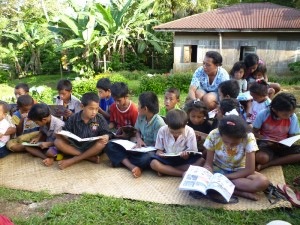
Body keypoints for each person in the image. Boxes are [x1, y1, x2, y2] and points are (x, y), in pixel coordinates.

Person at [203, 115, 269, 200]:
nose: (229, 146)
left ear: (242, 137)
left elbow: (249, 169)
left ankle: (221, 186)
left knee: (262, 182)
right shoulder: (214, 134)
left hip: (240, 172)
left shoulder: (249, 137)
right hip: (218, 169)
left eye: (234, 143)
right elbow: (208, 163)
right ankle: (239, 192)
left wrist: (225, 178)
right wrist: (207, 171)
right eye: (225, 142)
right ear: (220, 134)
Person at [106, 92, 166, 178]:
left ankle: (121, 161)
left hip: (149, 151)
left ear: (145, 108)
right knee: (110, 144)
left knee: (147, 158)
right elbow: (137, 130)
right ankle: (133, 166)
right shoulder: (141, 116)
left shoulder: (159, 123)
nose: (137, 107)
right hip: (138, 147)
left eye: (139, 104)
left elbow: (158, 145)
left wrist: (143, 148)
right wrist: (139, 139)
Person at [55, 92, 113, 169]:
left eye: (96, 109)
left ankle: (73, 160)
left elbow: (107, 133)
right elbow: (66, 131)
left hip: (93, 147)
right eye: (91, 108)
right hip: (77, 146)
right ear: (82, 106)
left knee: (101, 143)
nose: (94, 112)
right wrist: (61, 134)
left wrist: (106, 136)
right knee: (57, 142)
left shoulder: (99, 118)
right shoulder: (74, 118)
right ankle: (88, 157)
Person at [253, 92, 300, 171]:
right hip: (266, 145)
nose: (288, 116)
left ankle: (270, 163)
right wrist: (264, 138)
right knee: (261, 158)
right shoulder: (264, 114)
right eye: (285, 114)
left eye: (291, 114)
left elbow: (292, 135)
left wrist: (287, 142)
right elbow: (254, 133)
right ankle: (280, 158)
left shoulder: (292, 117)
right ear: (274, 110)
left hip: (283, 145)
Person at [150, 109, 203, 177]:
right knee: (153, 163)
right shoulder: (162, 130)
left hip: (183, 160)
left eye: (179, 132)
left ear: (185, 125)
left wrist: (186, 155)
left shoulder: (190, 131)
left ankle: (166, 170)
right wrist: (160, 154)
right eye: (172, 132)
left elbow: (193, 151)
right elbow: (159, 150)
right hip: (167, 159)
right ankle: (182, 173)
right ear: (167, 125)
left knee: (201, 161)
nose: (176, 134)